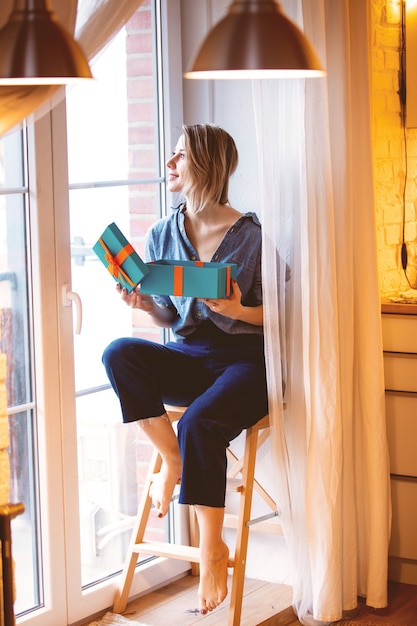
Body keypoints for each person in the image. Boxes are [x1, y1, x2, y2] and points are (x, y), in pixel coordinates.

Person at [102, 123, 268, 615]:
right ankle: (171, 459)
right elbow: (171, 316)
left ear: (206, 165)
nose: (170, 165)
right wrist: (143, 303)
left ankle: (211, 548)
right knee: (118, 352)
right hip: (190, 354)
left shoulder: (252, 236)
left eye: (179, 156)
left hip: (244, 361)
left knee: (200, 421)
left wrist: (237, 311)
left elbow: (287, 315)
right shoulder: (161, 232)